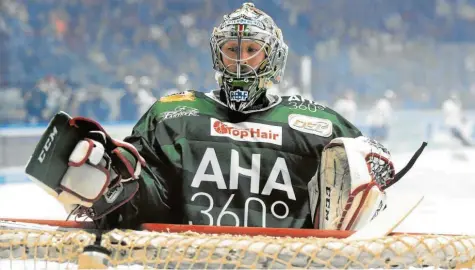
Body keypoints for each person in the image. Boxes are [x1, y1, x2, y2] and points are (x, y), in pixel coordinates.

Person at [26, 3, 404, 231]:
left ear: (273, 57)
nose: (240, 58)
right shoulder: (171, 115)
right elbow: (146, 200)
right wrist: (112, 185)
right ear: (216, 54)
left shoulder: (321, 126)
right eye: (231, 48)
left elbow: (363, 198)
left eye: (252, 48)